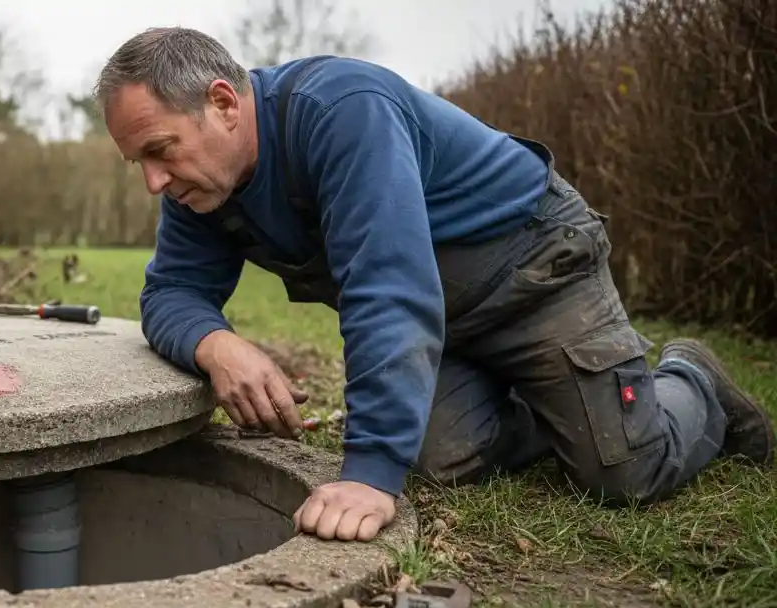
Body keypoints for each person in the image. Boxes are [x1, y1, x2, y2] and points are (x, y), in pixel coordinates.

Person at [91, 27, 774, 543]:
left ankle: (692, 381)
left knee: (625, 471)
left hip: (535, 275)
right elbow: (169, 293)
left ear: (223, 104)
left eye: (159, 150)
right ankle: (556, 396)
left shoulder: (340, 111)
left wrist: (367, 471)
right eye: (137, 162)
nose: (153, 180)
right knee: (441, 457)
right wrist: (216, 345)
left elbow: (386, 286)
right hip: (445, 323)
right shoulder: (199, 189)